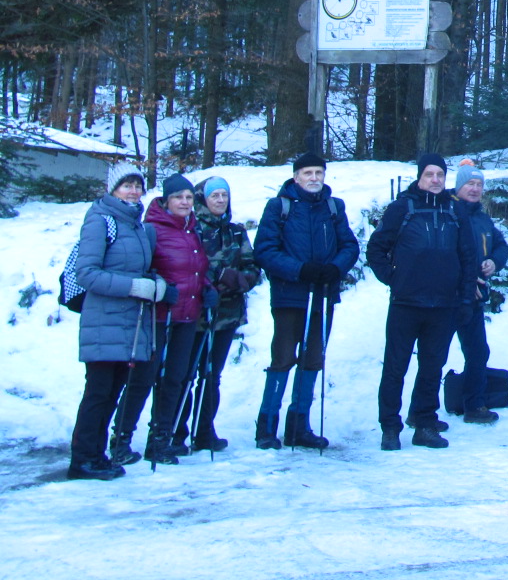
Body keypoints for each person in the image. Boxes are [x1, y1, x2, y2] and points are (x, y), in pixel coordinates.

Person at [369, 152, 480, 450]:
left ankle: (425, 424)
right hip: (406, 304)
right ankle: (390, 427)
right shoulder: (401, 208)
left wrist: (466, 300)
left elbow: (469, 258)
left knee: (432, 368)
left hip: (443, 306)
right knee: (395, 368)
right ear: (419, 177)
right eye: (429, 174)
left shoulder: (455, 213)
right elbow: (376, 249)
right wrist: (394, 278)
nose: (434, 180)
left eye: (440, 175)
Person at [253, 150, 360, 451]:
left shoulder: (333, 207)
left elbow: (350, 245)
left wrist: (334, 268)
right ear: (296, 176)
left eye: (318, 173)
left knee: (313, 359)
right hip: (290, 295)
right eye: (308, 174)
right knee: (283, 358)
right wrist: (300, 270)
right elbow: (264, 250)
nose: (314, 179)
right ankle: (267, 424)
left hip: (323, 294)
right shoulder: (279, 207)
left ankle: (299, 424)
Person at [111, 174, 214, 466]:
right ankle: (121, 439)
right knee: (143, 379)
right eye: (178, 197)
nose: (184, 202)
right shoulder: (151, 230)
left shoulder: (194, 230)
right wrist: (158, 285)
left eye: (189, 198)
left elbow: (196, 270)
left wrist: (207, 290)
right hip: (157, 317)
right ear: (166, 200)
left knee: (175, 380)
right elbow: (140, 268)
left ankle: (160, 440)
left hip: (187, 317)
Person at [66, 170, 162, 480]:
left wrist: (153, 283)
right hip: (104, 321)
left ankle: (96, 455)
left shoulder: (135, 224)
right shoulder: (100, 220)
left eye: (137, 186)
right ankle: (81, 460)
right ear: (113, 188)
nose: (134, 191)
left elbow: (140, 268)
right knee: (98, 392)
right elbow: (87, 273)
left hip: (129, 323)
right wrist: (133, 287)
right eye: (127, 185)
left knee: (112, 392)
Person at [176, 176, 262, 453]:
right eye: (215, 195)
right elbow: (186, 264)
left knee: (212, 375)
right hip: (194, 314)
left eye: (224, 195)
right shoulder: (191, 229)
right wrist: (213, 277)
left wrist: (237, 279)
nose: (221, 200)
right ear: (203, 198)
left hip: (227, 314)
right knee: (184, 374)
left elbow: (253, 267)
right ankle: (176, 431)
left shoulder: (236, 232)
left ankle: (205, 431)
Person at [452, 159, 508, 424]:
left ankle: (474, 406)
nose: (475, 189)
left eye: (479, 184)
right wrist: (467, 282)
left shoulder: (482, 217)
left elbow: (501, 246)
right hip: (447, 297)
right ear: (459, 186)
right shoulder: (448, 212)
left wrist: (494, 262)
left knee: (478, 352)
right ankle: (421, 412)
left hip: (473, 301)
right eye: (469, 184)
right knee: (434, 356)